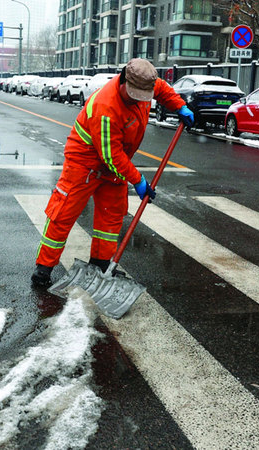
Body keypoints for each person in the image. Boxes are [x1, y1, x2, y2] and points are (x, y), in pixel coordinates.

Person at [31, 58, 194, 287]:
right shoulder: (106, 107)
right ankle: (44, 268)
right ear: (123, 80)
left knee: (112, 213)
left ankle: (100, 263)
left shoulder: (145, 83)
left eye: (143, 96)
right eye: (134, 94)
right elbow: (111, 155)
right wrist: (138, 180)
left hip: (116, 163)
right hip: (84, 162)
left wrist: (180, 106)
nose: (138, 100)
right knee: (63, 213)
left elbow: (162, 89)